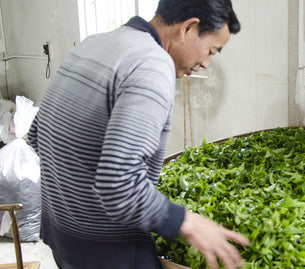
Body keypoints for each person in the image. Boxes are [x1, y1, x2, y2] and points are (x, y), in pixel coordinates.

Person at [27, 0, 249, 268]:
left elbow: (37, 134)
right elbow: (118, 183)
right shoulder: (152, 65)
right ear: (189, 27)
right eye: (212, 51)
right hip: (108, 249)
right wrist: (188, 222)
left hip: (62, 235)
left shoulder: (94, 43)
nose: (206, 63)